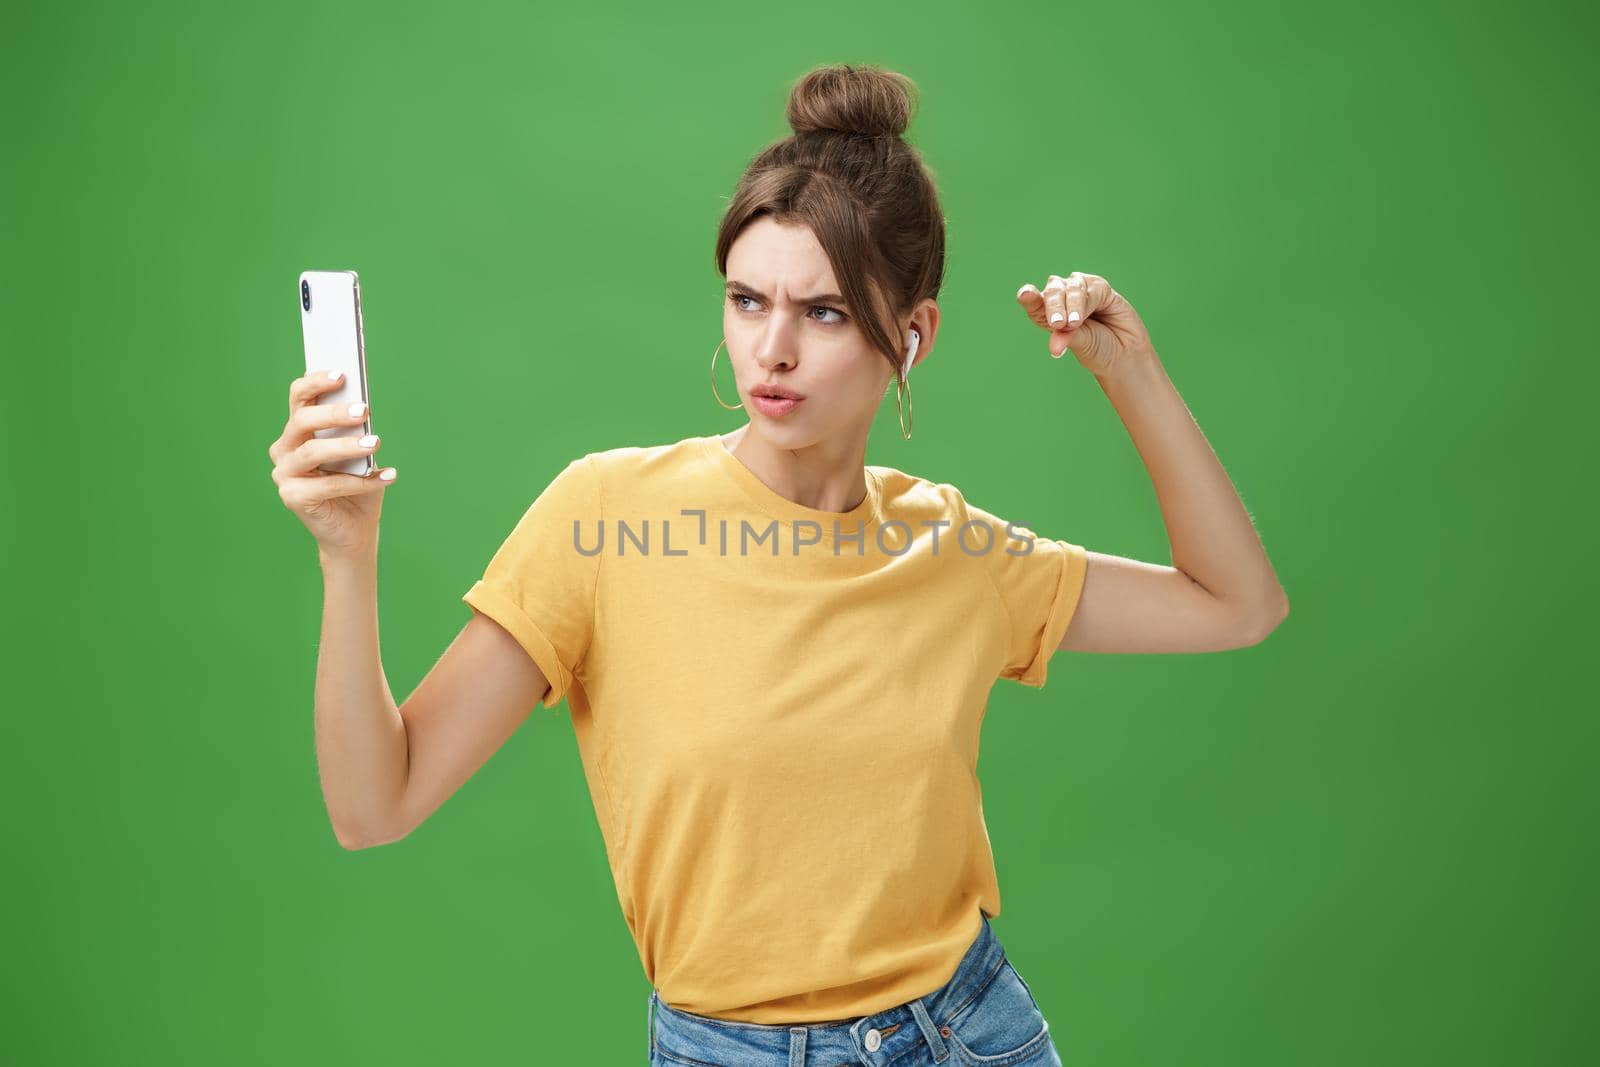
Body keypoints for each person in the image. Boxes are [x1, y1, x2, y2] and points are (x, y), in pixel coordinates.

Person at [270, 62, 1289, 1067]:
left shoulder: (957, 548)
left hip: (966, 1033)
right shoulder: (604, 517)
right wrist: (346, 555)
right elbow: (374, 804)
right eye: (748, 300)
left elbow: (1235, 603)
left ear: (913, 335)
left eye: (826, 311)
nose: (774, 349)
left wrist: (1130, 372)